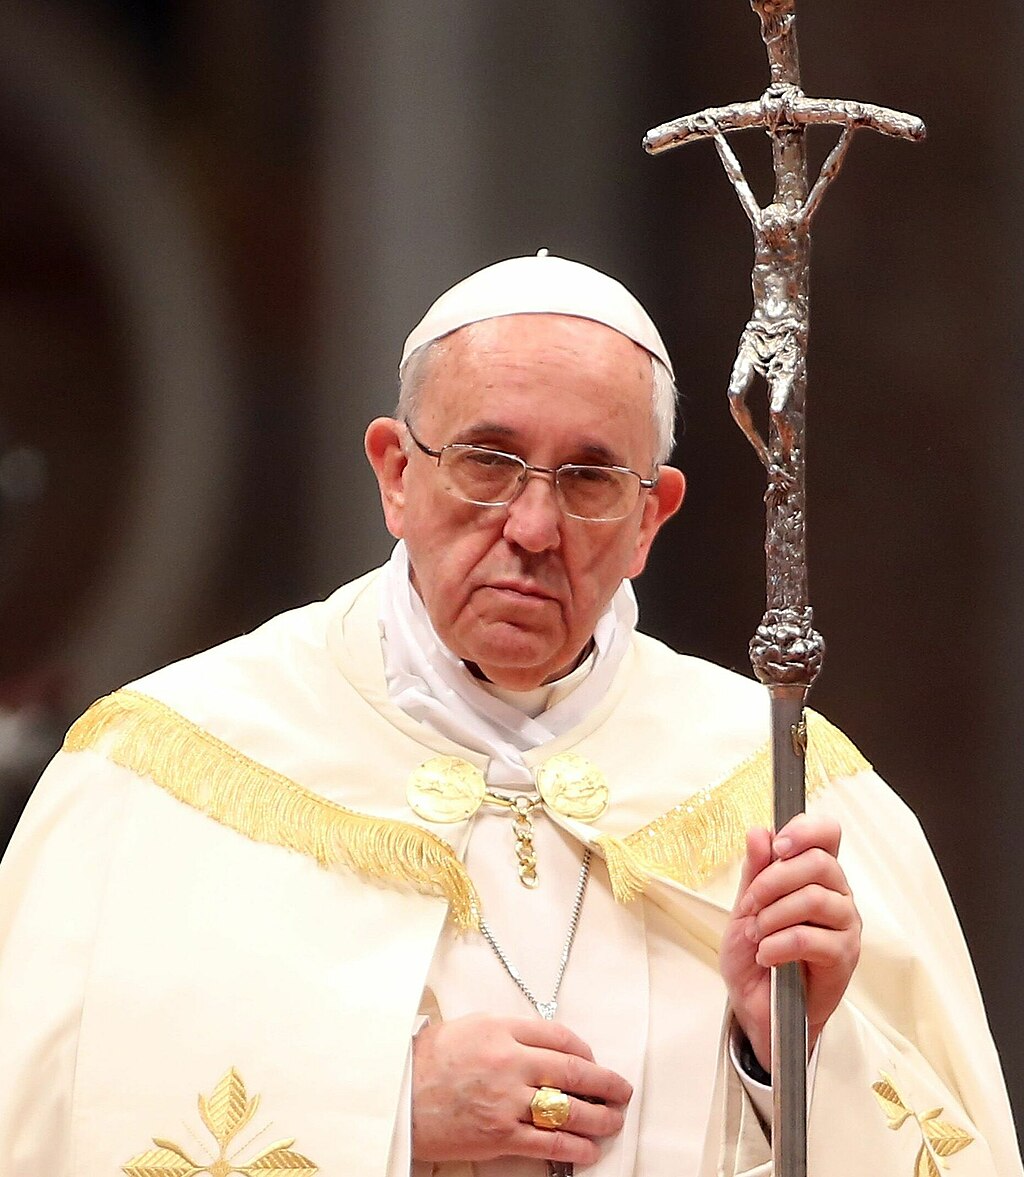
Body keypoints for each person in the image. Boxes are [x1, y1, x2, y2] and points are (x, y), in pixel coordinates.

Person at [0, 253, 1018, 1177]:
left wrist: (780, 1054)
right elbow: (54, 1117)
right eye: (486, 461)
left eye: (588, 479)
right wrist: (388, 1114)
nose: (532, 528)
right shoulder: (159, 768)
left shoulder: (786, 788)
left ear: (650, 517)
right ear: (397, 473)